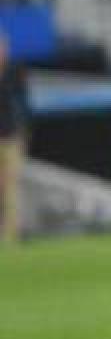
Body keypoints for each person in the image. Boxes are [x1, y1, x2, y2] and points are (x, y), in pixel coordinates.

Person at [0, 32, 30, 244]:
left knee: (11, 187)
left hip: (10, 137)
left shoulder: (14, 70)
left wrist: (24, 132)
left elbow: (24, 104)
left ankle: (11, 233)